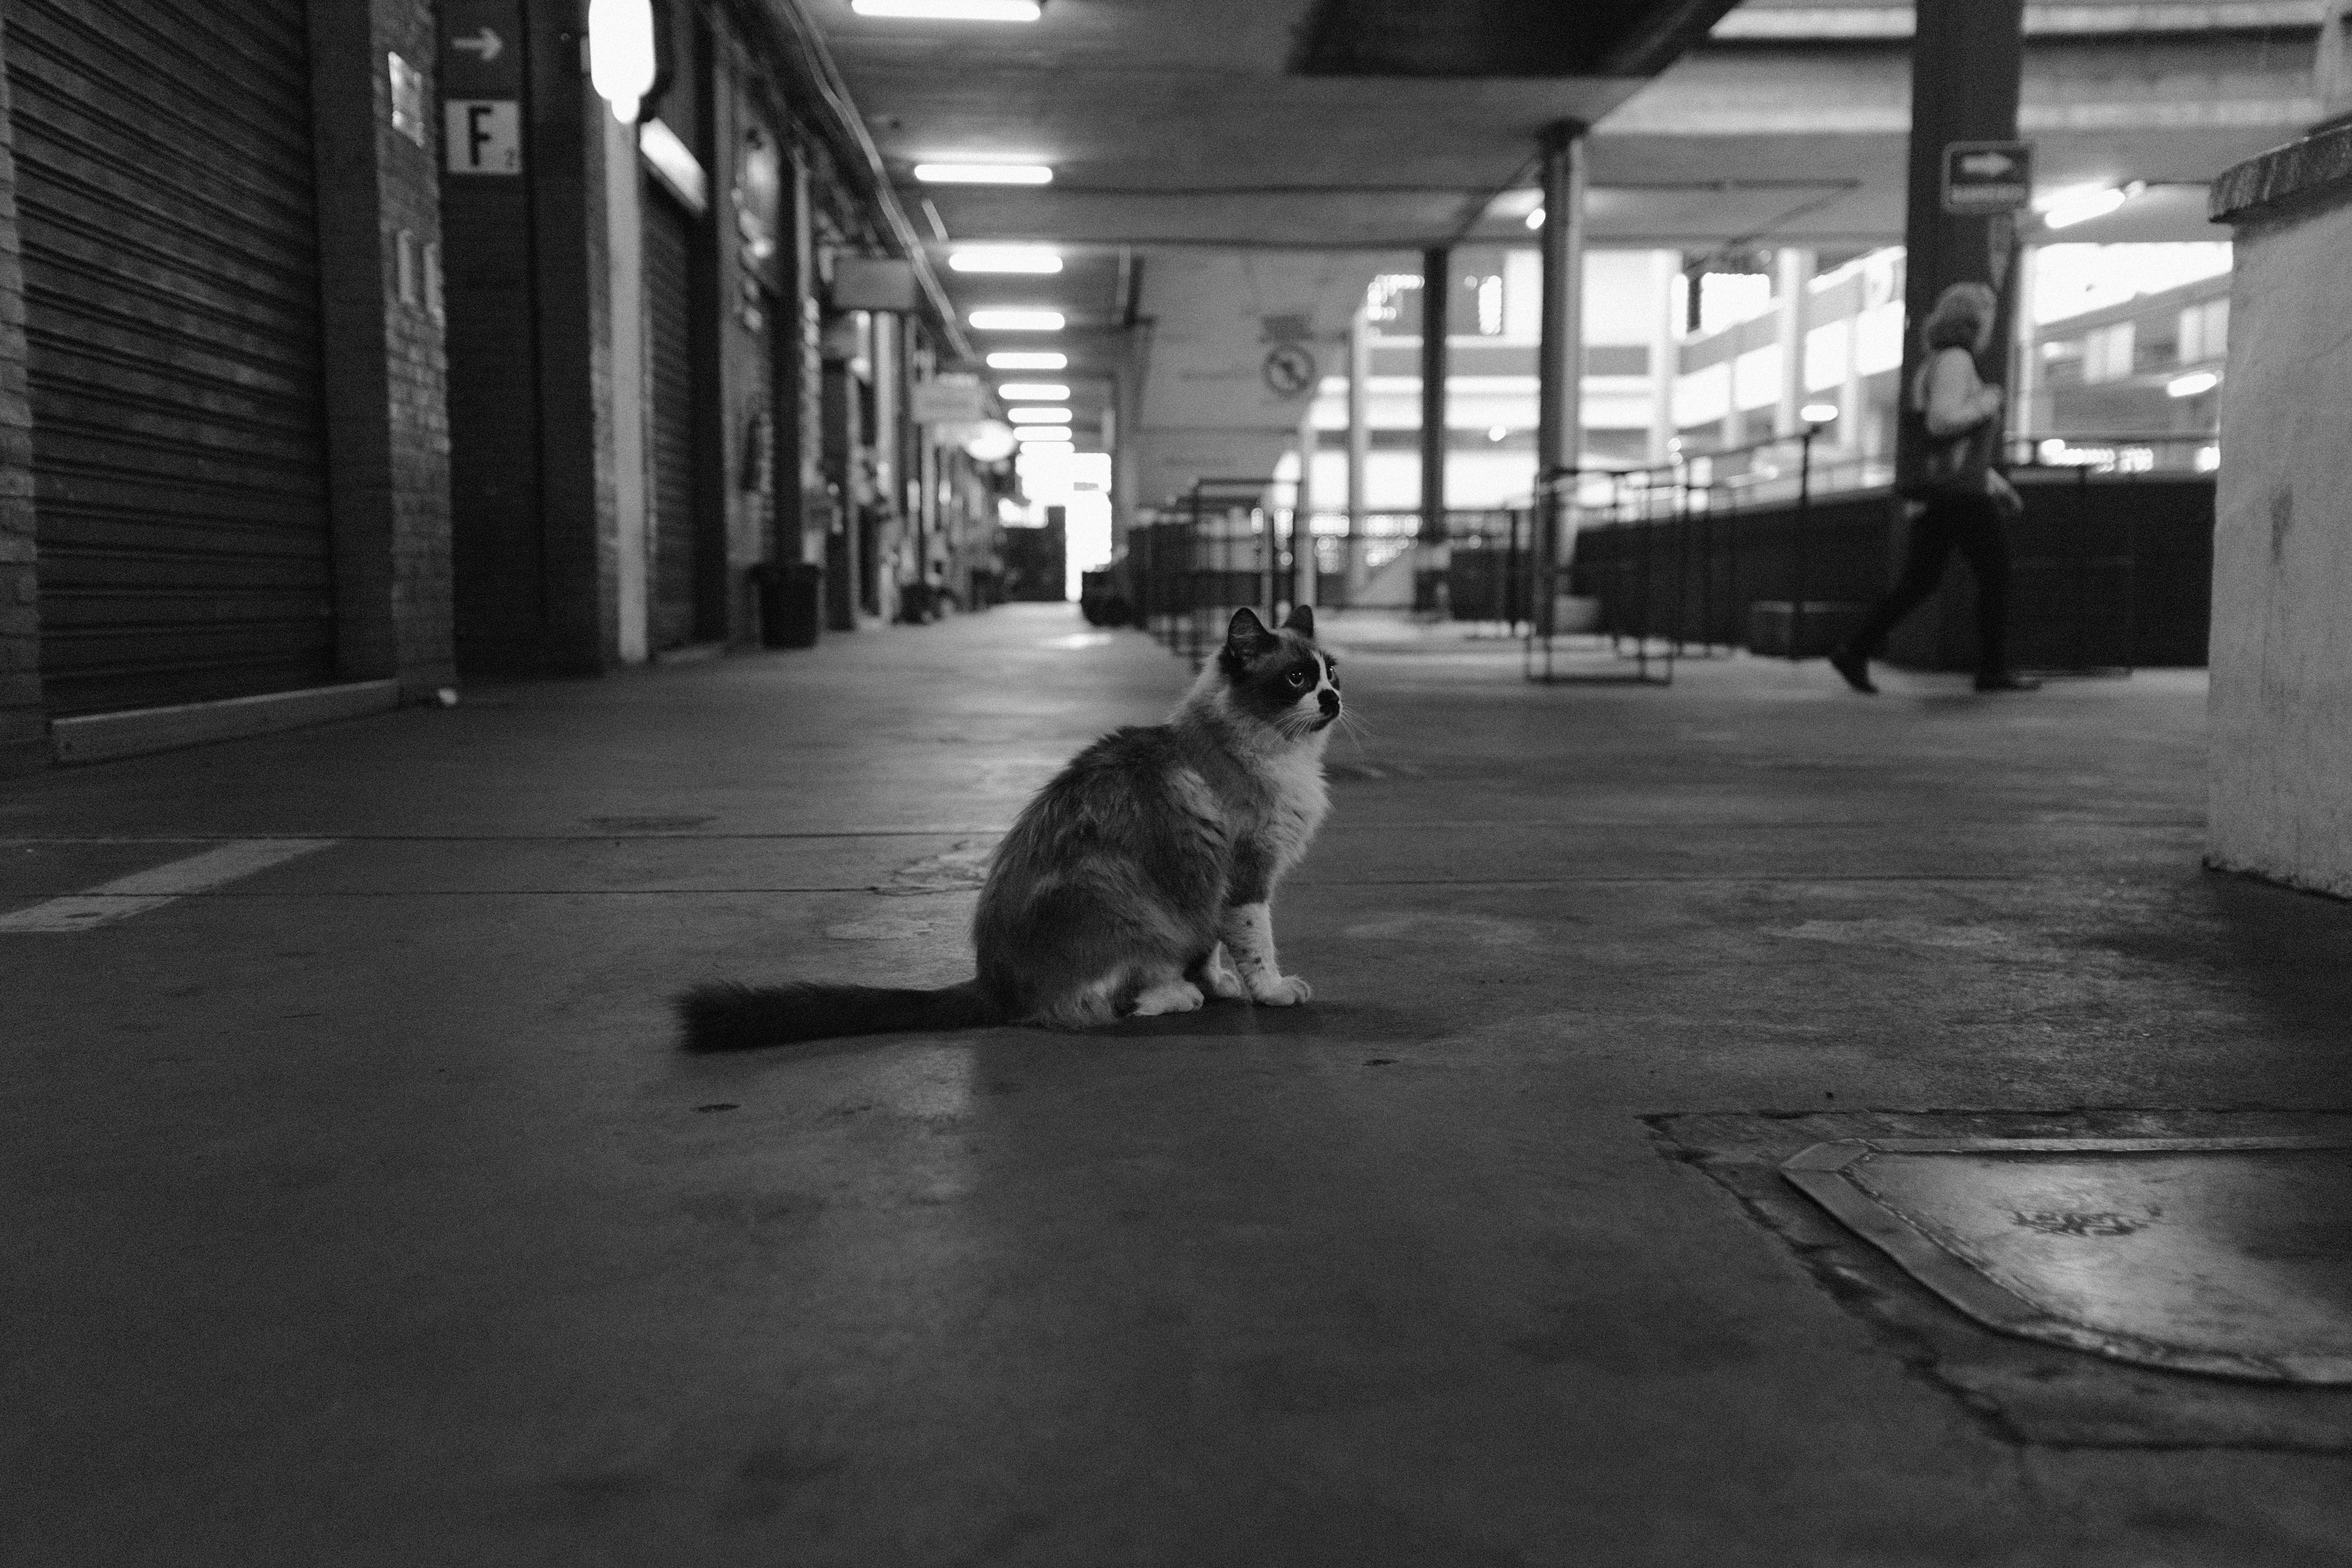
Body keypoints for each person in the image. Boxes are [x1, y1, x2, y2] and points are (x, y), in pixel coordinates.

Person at [1830, 281, 2039, 695]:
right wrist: (1988, 402)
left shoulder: (1936, 363)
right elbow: (1943, 423)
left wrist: (1995, 485)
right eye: (1988, 314)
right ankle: (1992, 669)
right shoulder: (1957, 361)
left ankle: (1855, 649)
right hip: (1959, 495)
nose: (1992, 323)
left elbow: (1951, 447)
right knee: (1994, 573)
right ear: (1972, 321)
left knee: (1920, 581)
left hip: (1946, 490)